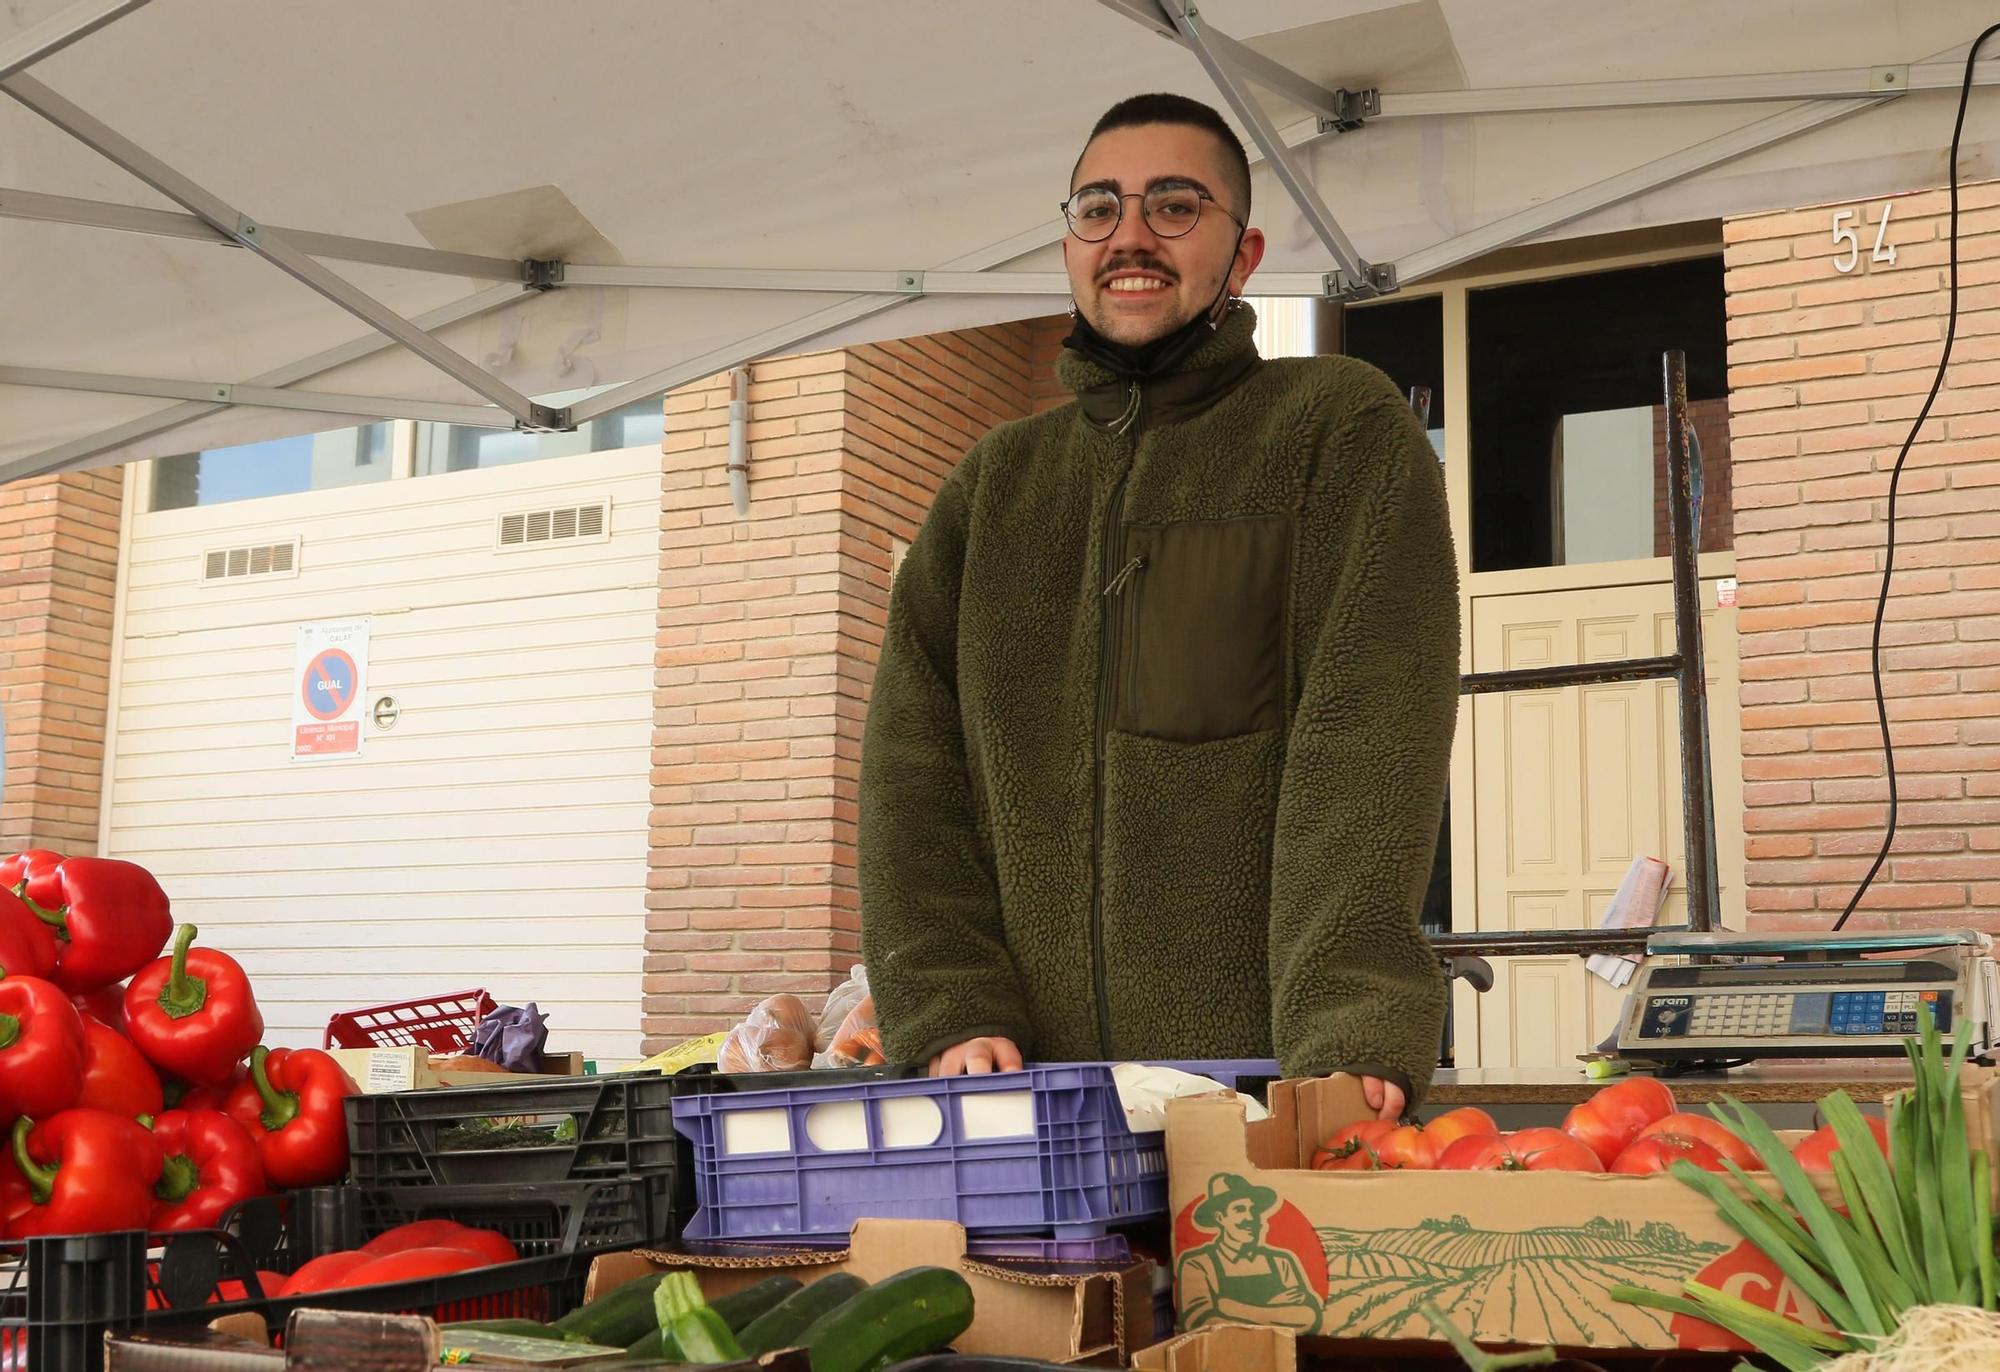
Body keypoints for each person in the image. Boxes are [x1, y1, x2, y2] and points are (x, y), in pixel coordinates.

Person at [857, 92, 1459, 1119]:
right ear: (1067, 242)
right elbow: (912, 777)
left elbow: (1367, 746)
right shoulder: (992, 487)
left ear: (1245, 250)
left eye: (1173, 205)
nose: (1129, 235)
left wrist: (1346, 1027)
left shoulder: (1332, 430)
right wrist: (948, 1004)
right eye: (1098, 208)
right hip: (1025, 1112)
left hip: (1263, 1093)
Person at [1174, 1173, 1323, 1331]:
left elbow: (1310, 1317)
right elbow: (1199, 1322)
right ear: (1219, 1218)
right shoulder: (1198, 1262)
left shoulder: (1281, 1261)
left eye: (1254, 1209)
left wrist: (1229, 1307)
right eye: (1239, 1209)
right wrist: (1274, 1310)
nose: (1250, 1217)